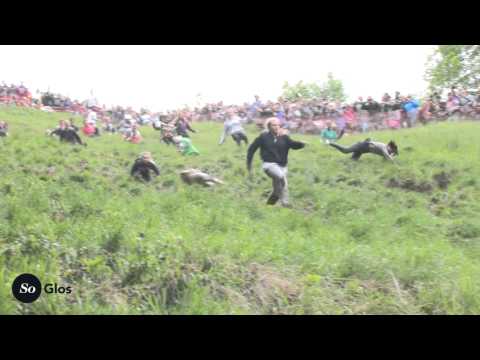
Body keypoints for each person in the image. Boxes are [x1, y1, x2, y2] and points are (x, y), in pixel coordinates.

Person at [246, 117, 306, 207]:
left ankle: (268, 206)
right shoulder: (263, 137)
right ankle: (285, 203)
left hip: (282, 165)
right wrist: (249, 164)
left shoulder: (284, 137)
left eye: (278, 125)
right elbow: (251, 149)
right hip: (269, 165)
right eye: (274, 125)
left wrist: (301, 144)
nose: (277, 127)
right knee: (282, 178)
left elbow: (293, 145)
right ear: (269, 127)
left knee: (277, 190)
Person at [329, 138, 398, 161]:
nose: (390, 152)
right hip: (361, 145)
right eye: (391, 150)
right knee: (345, 150)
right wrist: (393, 158)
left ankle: (339, 162)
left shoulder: (385, 149)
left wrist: (392, 155)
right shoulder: (384, 147)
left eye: (392, 151)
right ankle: (331, 143)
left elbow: (386, 157)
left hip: (362, 151)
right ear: (389, 146)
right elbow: (387, 156)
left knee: (352, 161)